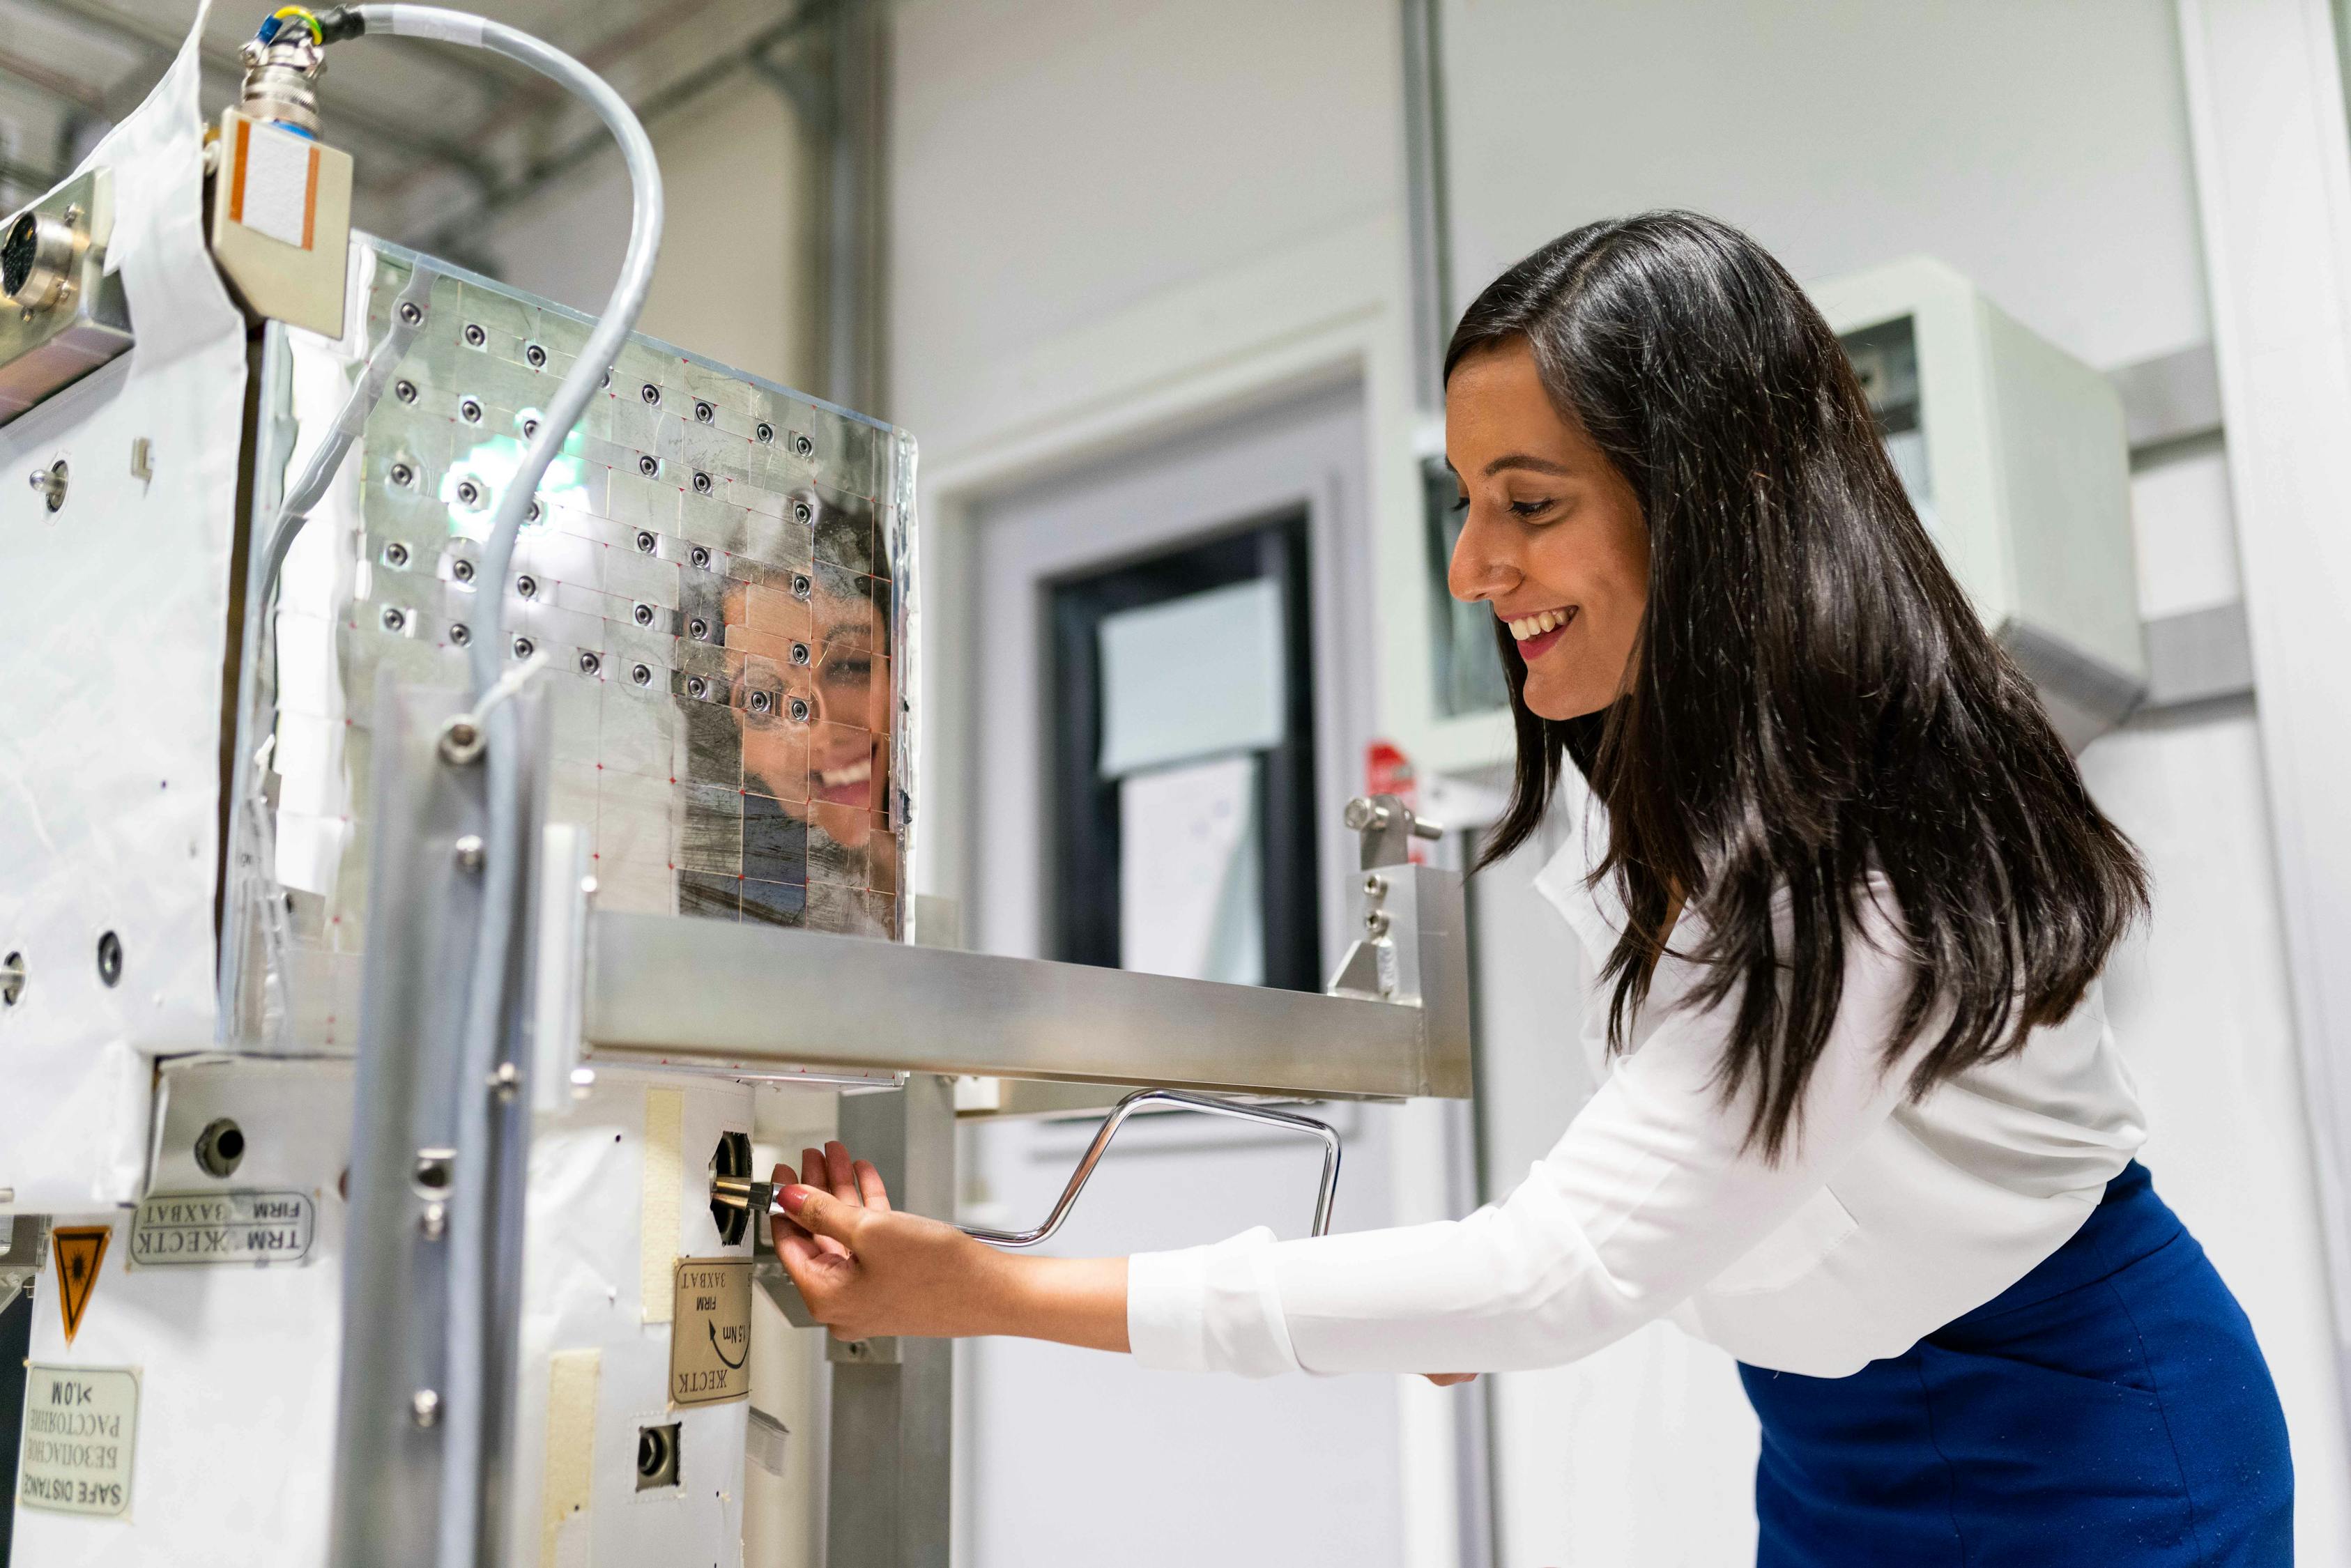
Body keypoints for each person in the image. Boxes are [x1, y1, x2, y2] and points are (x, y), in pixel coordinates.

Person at [767, 212, 2293, 1566]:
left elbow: (1563, 1265)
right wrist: (1447, 1301)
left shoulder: (1861, 829)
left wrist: (979, 1290)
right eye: (1462, 502)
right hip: (1838, 1446)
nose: (1470, 568)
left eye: (1530, 503)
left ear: (1708, 502)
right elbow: (1672, 1141)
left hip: (2087, 1449)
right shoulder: (1631, 771)